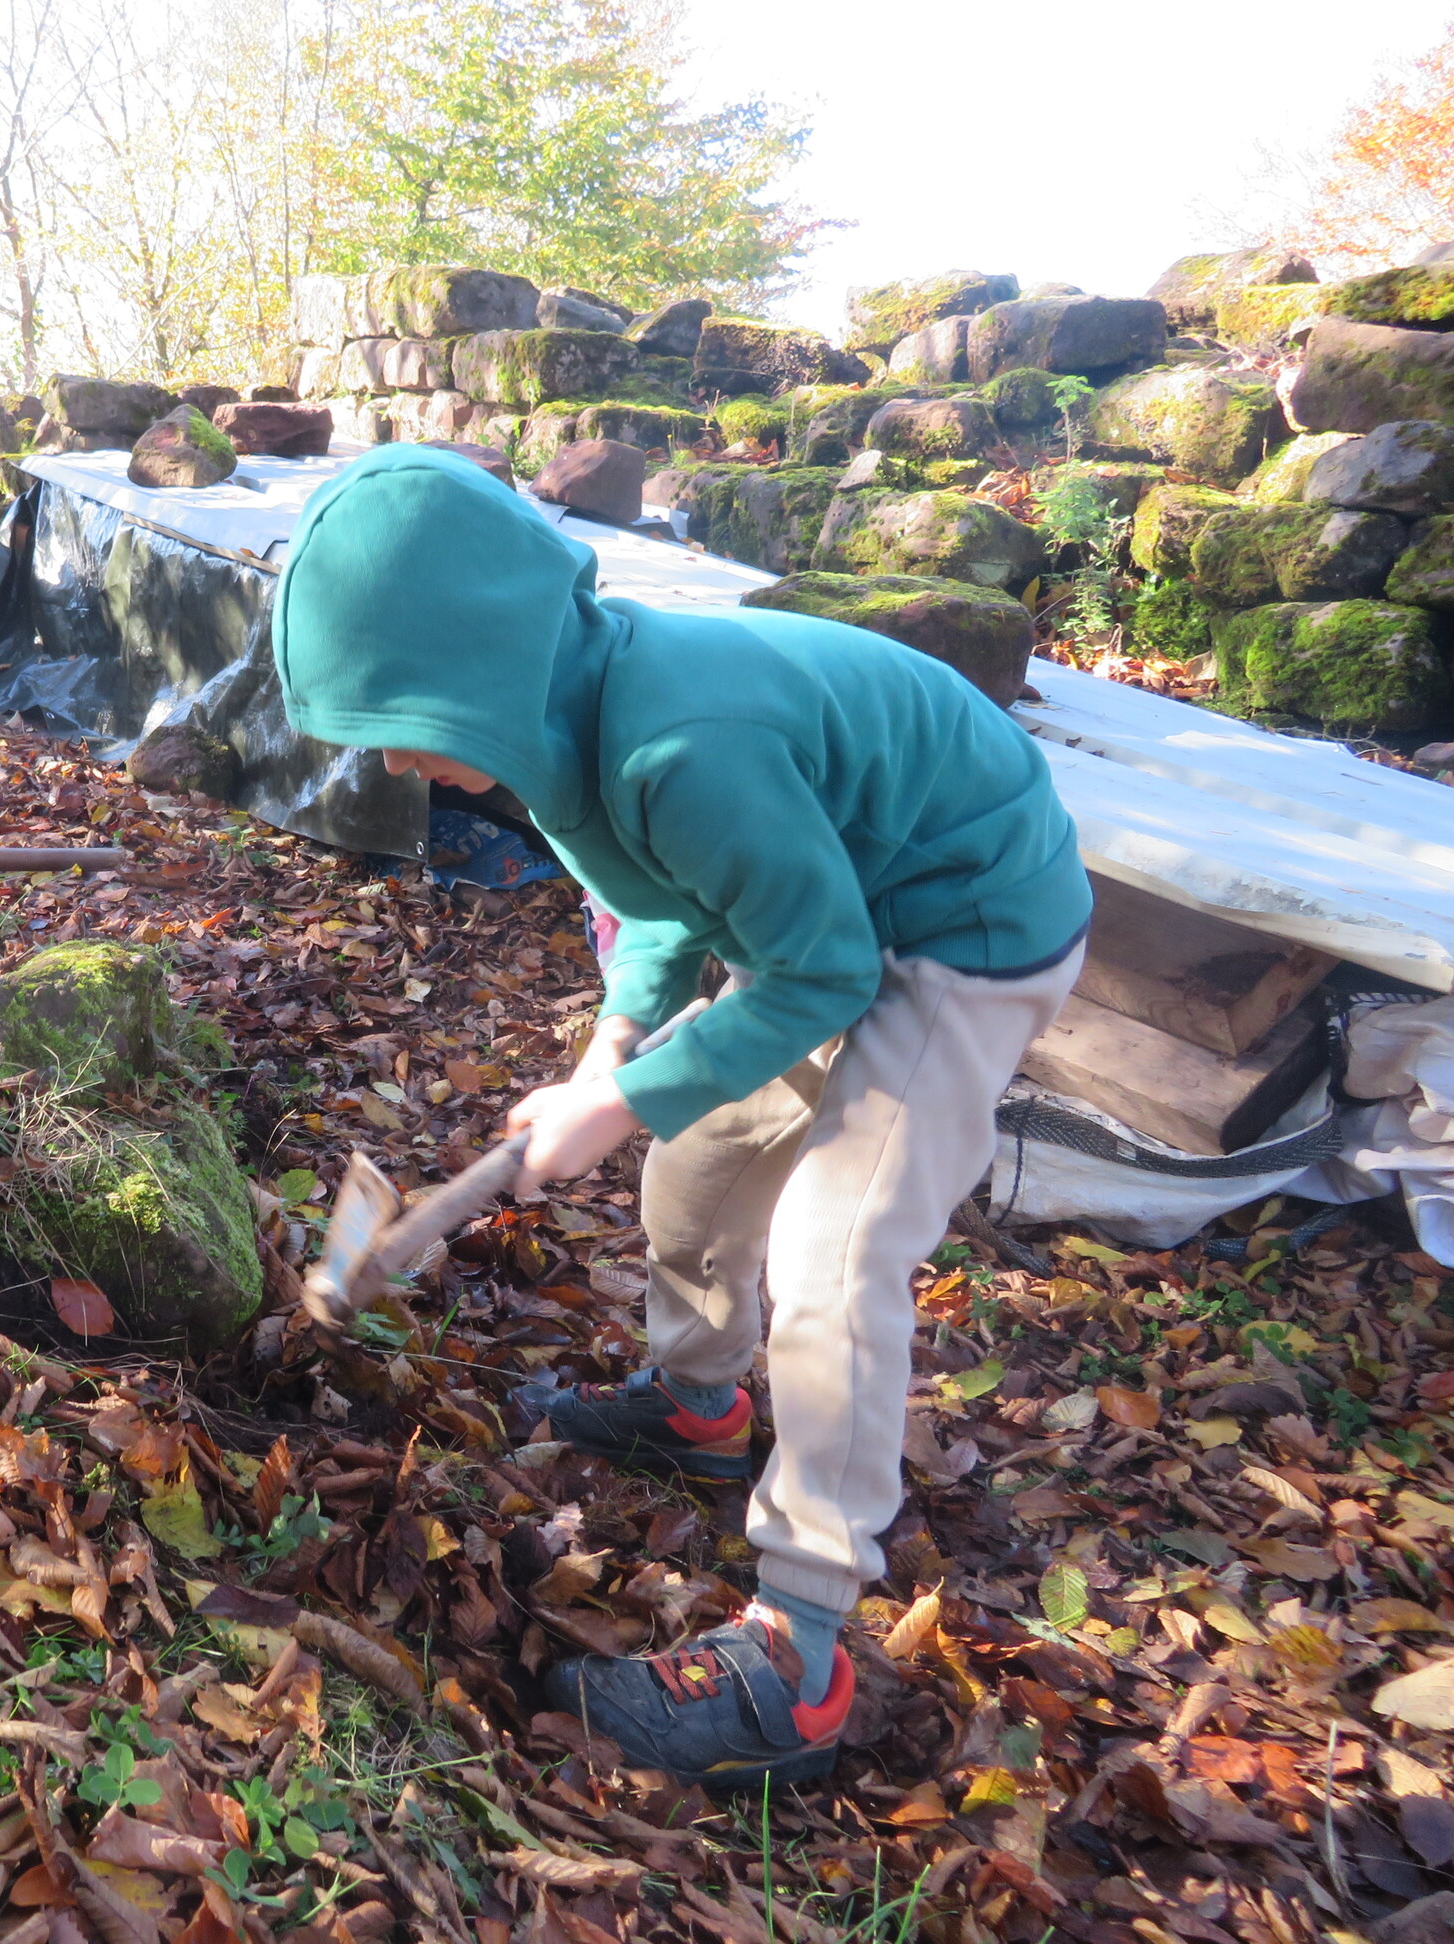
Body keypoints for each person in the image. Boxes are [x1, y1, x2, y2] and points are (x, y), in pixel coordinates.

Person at [272, 445, 1091, 1790]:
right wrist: (616, 1047)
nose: (389, 756)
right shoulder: (559, 726)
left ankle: (801, 1652)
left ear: (484, 664)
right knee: (699, 1166)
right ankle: (698, 1403)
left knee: (836, 1252)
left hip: (966, 922)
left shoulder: (680, 741)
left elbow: (822, 973)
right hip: (832, 910)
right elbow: (653, 899)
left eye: (398, 716)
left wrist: (615, 1103)